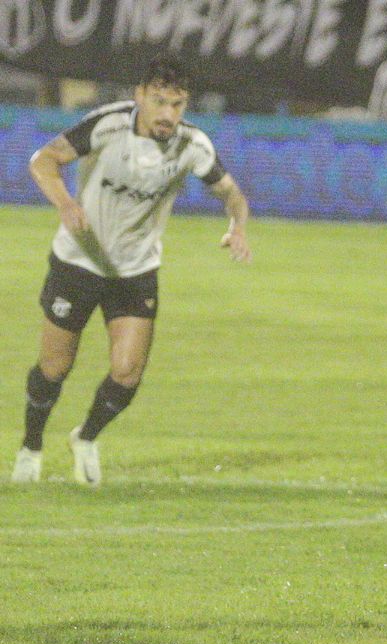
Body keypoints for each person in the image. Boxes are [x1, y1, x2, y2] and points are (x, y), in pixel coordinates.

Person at [10, 56, 252, 486]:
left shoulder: (193, 145)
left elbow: (232, 194)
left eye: (177, 104)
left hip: (135, 269)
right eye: (159, 101)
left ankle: (85, 437)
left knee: (127, 373)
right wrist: (66, 203)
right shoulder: (107, 126)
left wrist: (238, 228)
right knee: (54, 368)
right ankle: (31, 445)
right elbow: (44, 160)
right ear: (139, 96)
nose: (168, 114)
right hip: (77, 262)